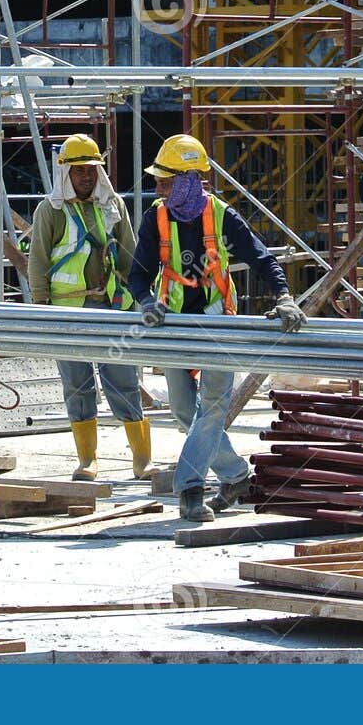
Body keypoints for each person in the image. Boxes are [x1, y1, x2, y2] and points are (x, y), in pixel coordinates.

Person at [127, 134, 306, 522]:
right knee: (181, 412)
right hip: (172, 323)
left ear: (189, 179)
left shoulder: (222, 215)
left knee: (211, 407)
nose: (157, 188)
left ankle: (189, 491)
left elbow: (262, 259)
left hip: (215, 322)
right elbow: (138, 276)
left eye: (165, 181)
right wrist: (146, 304)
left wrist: (284, 297)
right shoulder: (155, 218)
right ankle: (237, 476)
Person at [26, 134, 152, 481]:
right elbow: (37, 260)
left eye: (91, 170)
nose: (86, 177)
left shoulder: (113, 206)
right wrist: (41, 307)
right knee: (78, 385)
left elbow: (129, 253)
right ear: (66, 173)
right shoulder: (50, 211)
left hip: (111, 307)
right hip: (68, 311)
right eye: (79, 171)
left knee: (123, 380)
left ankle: (142, 459)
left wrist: (140, 298)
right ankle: (88, 461)